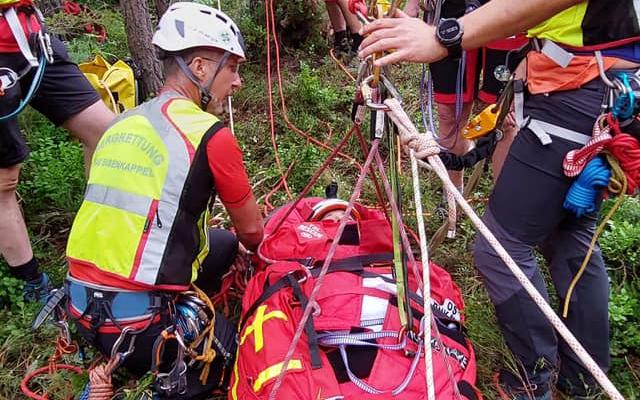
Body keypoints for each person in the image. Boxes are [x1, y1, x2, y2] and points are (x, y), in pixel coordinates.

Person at [359, 0, 640, 398]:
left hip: (575, 96)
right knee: (568, 239)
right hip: (592, 91)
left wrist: (445, 36)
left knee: (499, 249)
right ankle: (582, 374)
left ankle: (535, 375)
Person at [64, 3, 263, 398]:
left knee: (222, 243)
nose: (238, 81)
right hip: (141, 330)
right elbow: (254, 231)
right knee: (229, 348)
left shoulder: (122, 123)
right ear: (202, 67)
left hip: (81, 309)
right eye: (233, 68)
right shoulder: (210, 134)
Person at [0, 0, 114, 302]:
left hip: (33, 39)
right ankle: (32, 282)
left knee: (107, 134)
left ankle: (96, 241)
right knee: (4, 179)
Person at [404, 0, 524, 186]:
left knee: (505, 116)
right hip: (452, 10)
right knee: (449, 115)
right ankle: (453, 196)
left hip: (510, 10)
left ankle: (501, 205)